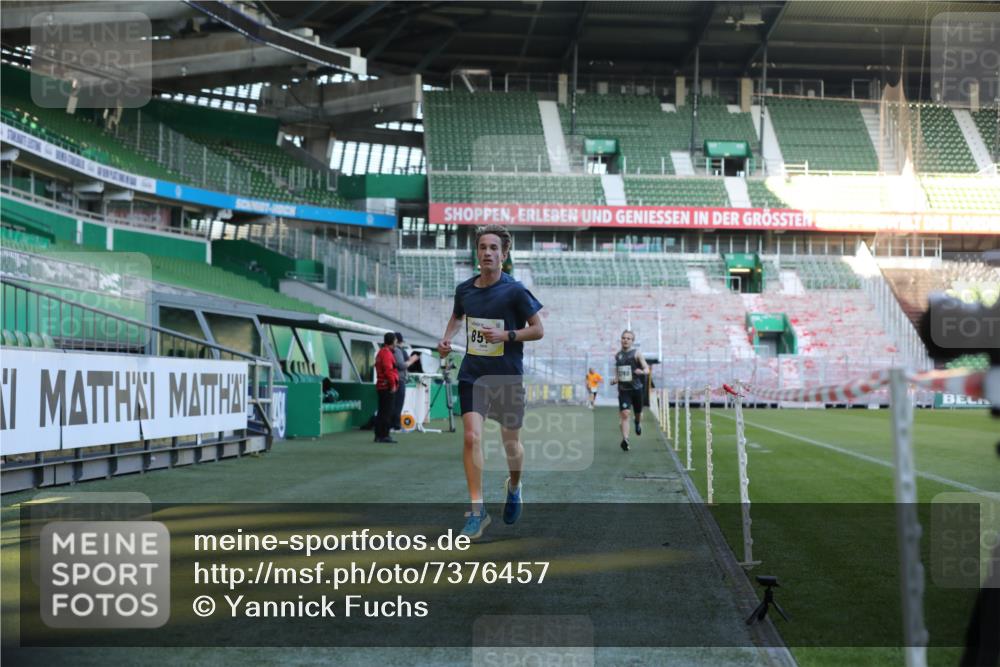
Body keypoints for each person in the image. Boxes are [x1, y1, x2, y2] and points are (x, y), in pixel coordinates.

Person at [438, 224, 543, 540]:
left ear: (504, 254)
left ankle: (514, 486)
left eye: (493, 248)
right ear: (477, 252)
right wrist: (446, 338)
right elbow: (458, 317)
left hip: (507, 376)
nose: (487, 253)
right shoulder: (465, 290)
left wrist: (507, 335)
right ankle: (476, 510)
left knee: (511, 444)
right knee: (471, 437)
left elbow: (538, 329)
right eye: (482, 247)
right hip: (473, 375)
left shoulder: (515, 290)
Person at [610, 330, 650, 452]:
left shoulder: (637, 354)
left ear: (632, 341)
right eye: (623, 338)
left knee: (638, 414)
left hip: (637, 389)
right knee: (625, 413)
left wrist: (642, 372)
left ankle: (637, 423)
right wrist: (616, 379)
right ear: (621, 339)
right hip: (624, 390)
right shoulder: (618, 355)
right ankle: (625, 440)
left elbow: (646, 368)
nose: (625, 340)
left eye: (628, 338)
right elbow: (618, 369)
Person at [391, 332, 420, 431]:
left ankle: (393, 424)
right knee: (398, 403)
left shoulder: (393, 351)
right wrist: (412, 360)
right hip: (398, 380)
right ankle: (395, 425)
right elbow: (402, 365)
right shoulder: (398, 351)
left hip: (394, 380)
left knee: (394, 403)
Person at [374, 331, 399, 443]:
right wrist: (393, 385)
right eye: (395, 340)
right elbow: (388, 371)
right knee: (387, 412)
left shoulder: (381, 352)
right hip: (387, 387)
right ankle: (384, 435)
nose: (397, 342)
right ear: (392, 341)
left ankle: (379, 435)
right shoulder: (387, 354)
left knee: (382, 411)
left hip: (382, 386)